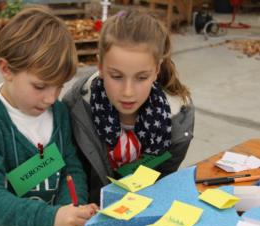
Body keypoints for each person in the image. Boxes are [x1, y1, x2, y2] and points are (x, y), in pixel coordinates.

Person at [0, 6, 97, 226]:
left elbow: (71, 166)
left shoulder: (58, 112)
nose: (50, 98)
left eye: (59, 87)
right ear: (6, 69)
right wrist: (51, 218)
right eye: (40, 86)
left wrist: (72, 209)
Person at [63, 9, 195, 204]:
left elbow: (163, 179)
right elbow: (72, 173)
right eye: (116, 76)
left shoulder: (179, 118)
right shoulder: (77, 106)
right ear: (100, 67)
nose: (128, 92)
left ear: (157, 70)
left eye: (141, 78)